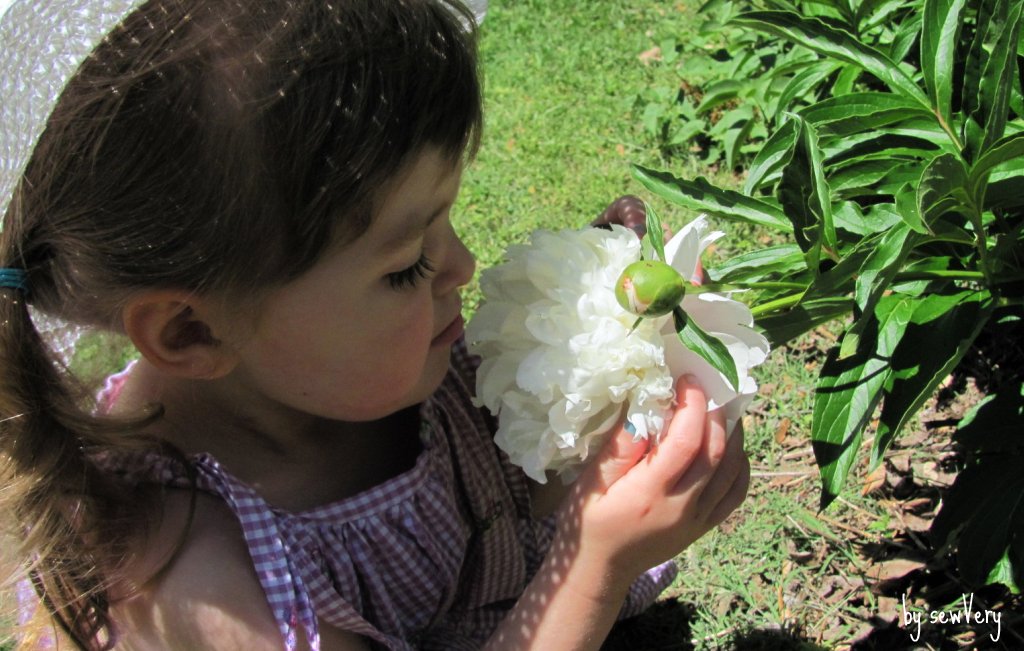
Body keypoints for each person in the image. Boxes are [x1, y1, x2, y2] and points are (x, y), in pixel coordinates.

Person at [0, 1, 750, 649]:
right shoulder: (190, 583)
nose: (461, 264)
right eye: (404, 265)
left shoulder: (360, 366)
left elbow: (496, 479)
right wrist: (592, 564)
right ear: (192, 333)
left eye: (447, 219)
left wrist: (603, 357)